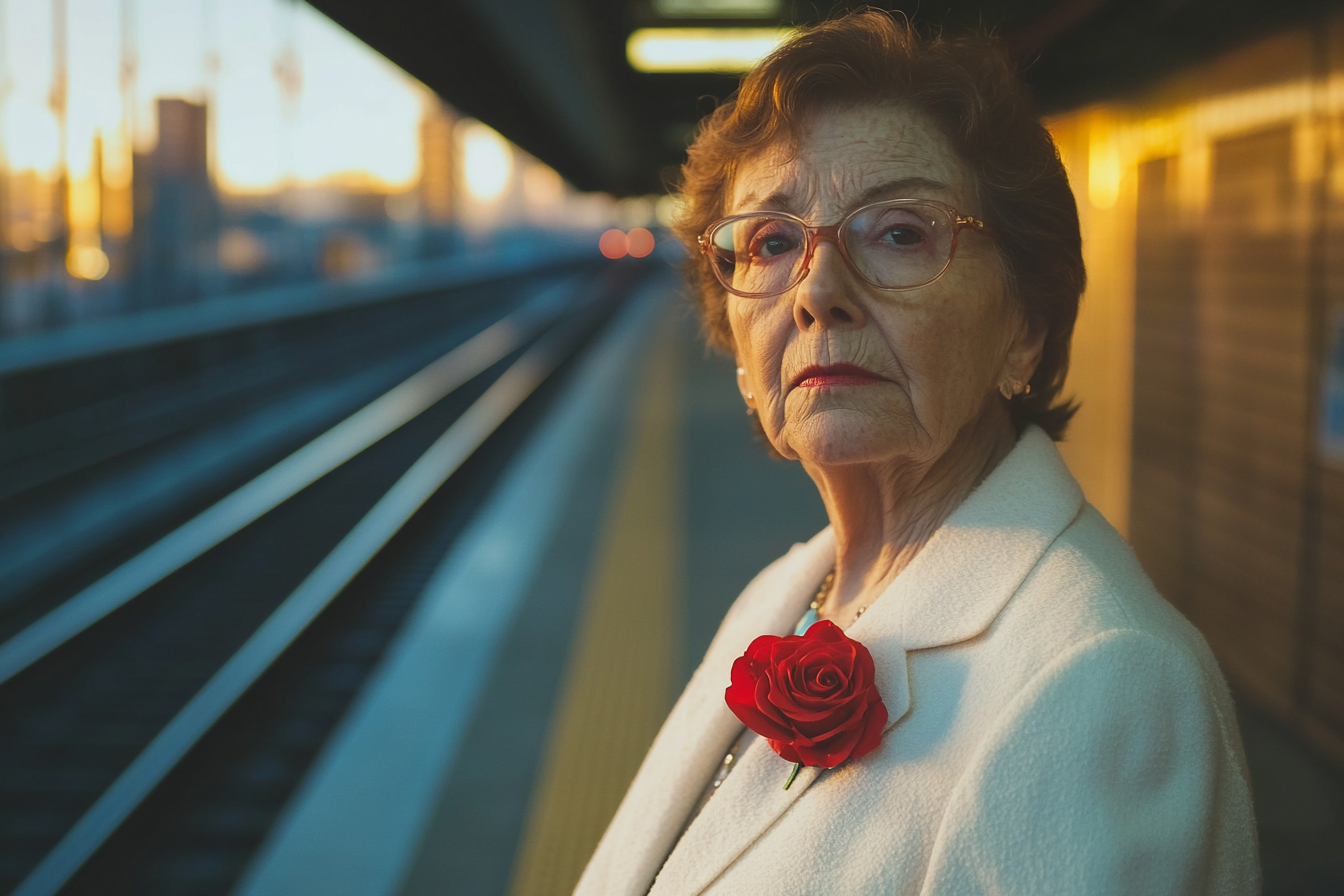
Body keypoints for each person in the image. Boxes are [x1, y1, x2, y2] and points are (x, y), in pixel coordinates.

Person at [576, 11, 1259, 895]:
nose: (820, 293)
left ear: (1026, 328)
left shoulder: (1106, 681)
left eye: (900, 233)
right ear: (735, 338)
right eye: (774, 242)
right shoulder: (795, 586)